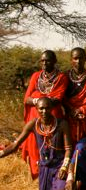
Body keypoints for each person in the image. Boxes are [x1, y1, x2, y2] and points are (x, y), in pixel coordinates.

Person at [0, 98, 72, 190]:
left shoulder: (62, 124)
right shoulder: (34, 124)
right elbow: (15, 145)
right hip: (44, 167)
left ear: (52, 108)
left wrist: (64, 166)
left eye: (47, 108)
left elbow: (69, 149)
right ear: (37, 109)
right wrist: (1, 153)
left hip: (59, 165)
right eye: (41, 108)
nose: (44, 111)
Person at [22, 50, 69, 178]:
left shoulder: (61, 78)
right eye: (42, 60)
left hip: (53, 116)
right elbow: (26, 99)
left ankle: (55, 171)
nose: (44, 63)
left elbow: (57, 99)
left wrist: (37, 98)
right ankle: (38, 171)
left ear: (54, 61)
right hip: (36, 116)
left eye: (47, 60)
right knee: (36, 144)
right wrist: (39, 100)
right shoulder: (36, 76)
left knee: (54, 144)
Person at [63, 47, 86, 143]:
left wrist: (82, 109)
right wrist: (71, 110)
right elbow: (61, 98)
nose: (78, 61)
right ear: (71, 59)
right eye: (75, 58)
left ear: (85, 59)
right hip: (68, 116)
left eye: (81, 58)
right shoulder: (64, 76)